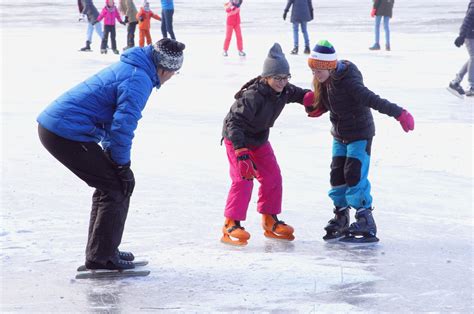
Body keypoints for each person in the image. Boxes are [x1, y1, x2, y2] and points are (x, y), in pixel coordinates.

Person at [37, 38, 185, 270]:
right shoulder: (139, 79)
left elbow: (111, 121)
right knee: (117, 186)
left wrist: (116, 162)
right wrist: (122, 166)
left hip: (60, 128)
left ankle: (102, 251)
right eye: (175, 73)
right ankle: (102, 257)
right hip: (64, 133)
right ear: (165, 69)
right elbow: (123, 127)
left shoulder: (136, 67)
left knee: (111, 185)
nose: (171, 78)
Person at [304, 40, 414, 243]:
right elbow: (330, 103)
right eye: (313, 70)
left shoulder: (349, 81)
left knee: (353, 174)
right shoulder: (324, 81)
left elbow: (372, 99)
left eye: (319, 70)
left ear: (329, 66)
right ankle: (341, 215)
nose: (315, 75)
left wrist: (399, 113)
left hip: (359, 134)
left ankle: (365, 219)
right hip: (339, 135)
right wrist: (315, 106)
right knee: (337, 175)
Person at [220, 43, 311, 246]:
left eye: (285, 77)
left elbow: (300, 94)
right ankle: (230, 223)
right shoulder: (253, 96)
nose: (282, 82)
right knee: (243, 179)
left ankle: (270, 220)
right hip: (237, 139)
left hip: (259, 139)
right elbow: (234, 122)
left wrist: (313, 99)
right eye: (277, 78)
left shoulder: (284, 90)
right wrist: (241, 152)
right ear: (266, 77)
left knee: (272, 177)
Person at [448, 0, 474, 98]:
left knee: (472, 58)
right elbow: (468, 19)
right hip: (470, 35)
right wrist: (462, 36)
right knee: (473, 57)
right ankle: (471, 87)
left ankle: (455, 82)